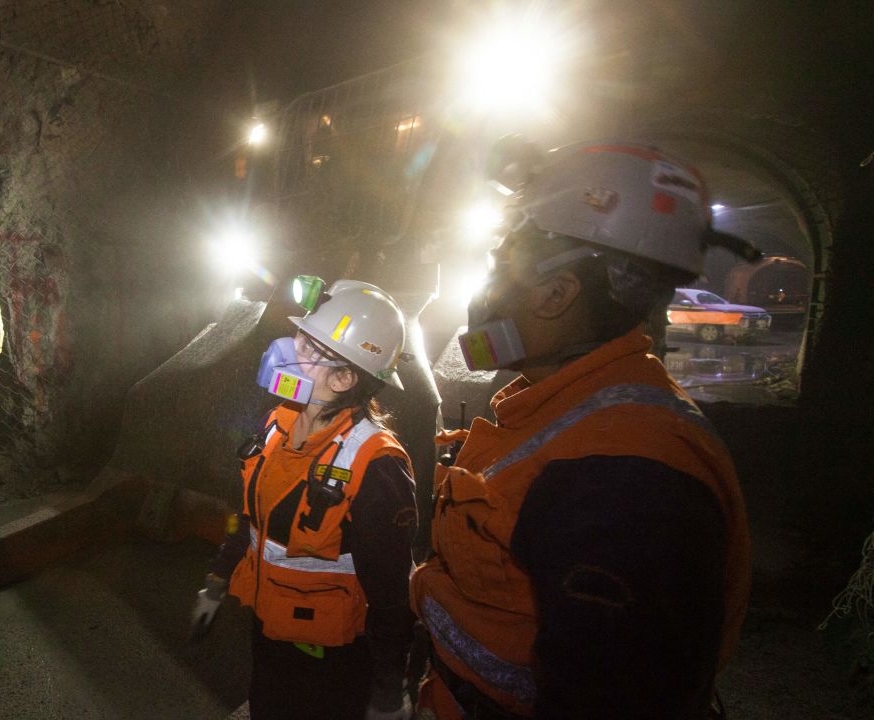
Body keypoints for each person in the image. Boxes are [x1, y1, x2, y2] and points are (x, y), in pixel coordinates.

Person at [411, 141, 755, 719]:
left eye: (501, 265)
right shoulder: (563, 411)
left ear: (556, 295)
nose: (487, 286)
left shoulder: (626, 480)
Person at [191, 279, 418, 720]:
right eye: (299, 336)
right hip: (267, 631)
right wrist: (218, 581)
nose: (290, 350)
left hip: (334, 662)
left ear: (345, 377)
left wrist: (389, 689)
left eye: (312, 350)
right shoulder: (277, 423)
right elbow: (247, 518)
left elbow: (391, 593)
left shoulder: (375, 464)